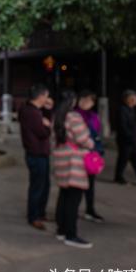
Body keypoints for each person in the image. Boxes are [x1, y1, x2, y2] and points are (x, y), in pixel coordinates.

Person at [53, 90, 95, 249]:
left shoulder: (57, 117)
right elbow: (83, 139)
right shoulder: (74, 117)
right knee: (73, 199)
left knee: (64, 195)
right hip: (74, 161)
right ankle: (71, 234)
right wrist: (91, 143)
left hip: (61, 159)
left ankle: (61, 230)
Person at [18, 84, 53, 230]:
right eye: (46, 96)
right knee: (37, 186)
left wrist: (48, 113)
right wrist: (47, 125)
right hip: (36, 153)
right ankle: (33, 216)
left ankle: (40, 212)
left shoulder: (31, 109)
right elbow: (43, 132)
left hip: (40, 153)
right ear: (41, 96)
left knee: (45, 185)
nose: (48, 98)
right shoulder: (31, 112)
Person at [75, 90, 105, 223]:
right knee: (75, 185)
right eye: (84, 99)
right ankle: (73, 209)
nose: (86, 102)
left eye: (90, 100)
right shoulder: (73, 114)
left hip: (91, 154)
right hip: (77, 154)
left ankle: (90, 209)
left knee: (90, 184)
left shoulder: (94, 117)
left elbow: (97, 135)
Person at [114, 90, 136, 186]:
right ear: (128, 99)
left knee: (134, 159)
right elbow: (122, 126)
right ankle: (119, 177)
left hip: (131, 140)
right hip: (126, 140)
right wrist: (132, 138)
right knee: (124, 159)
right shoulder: (122, 110)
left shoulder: (131, 109)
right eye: (135, 97)